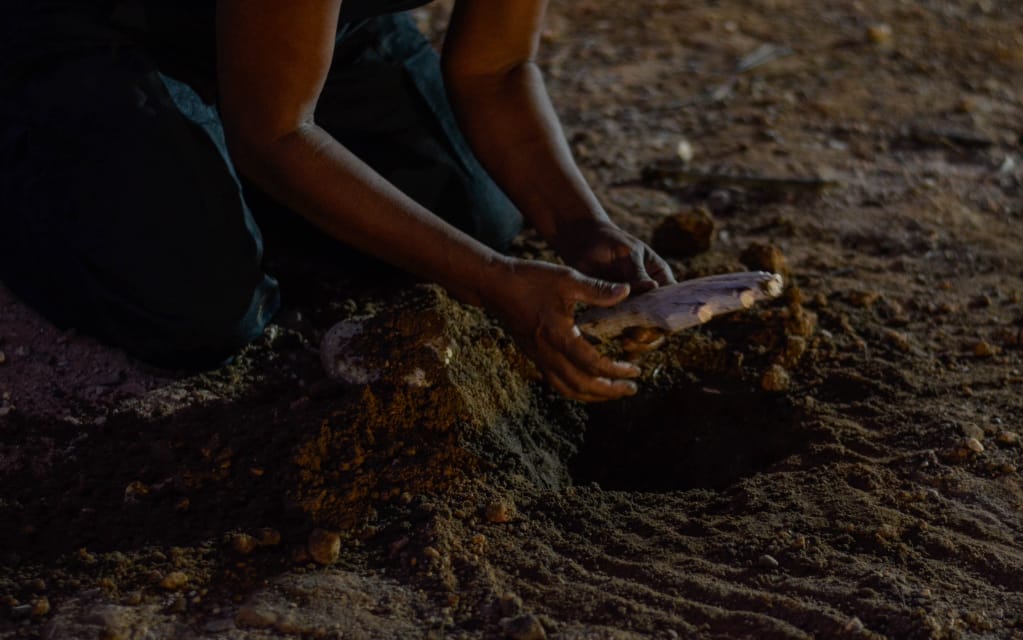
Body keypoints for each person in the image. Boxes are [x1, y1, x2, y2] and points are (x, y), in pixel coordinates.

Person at [0, 0, 675, 402]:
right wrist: (491, 282)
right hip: (108, 28)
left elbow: (494, 71)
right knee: (198, 308)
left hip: (306, 28)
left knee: (475, 213)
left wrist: (583, 224)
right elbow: (276, 132)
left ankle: (192, 159)